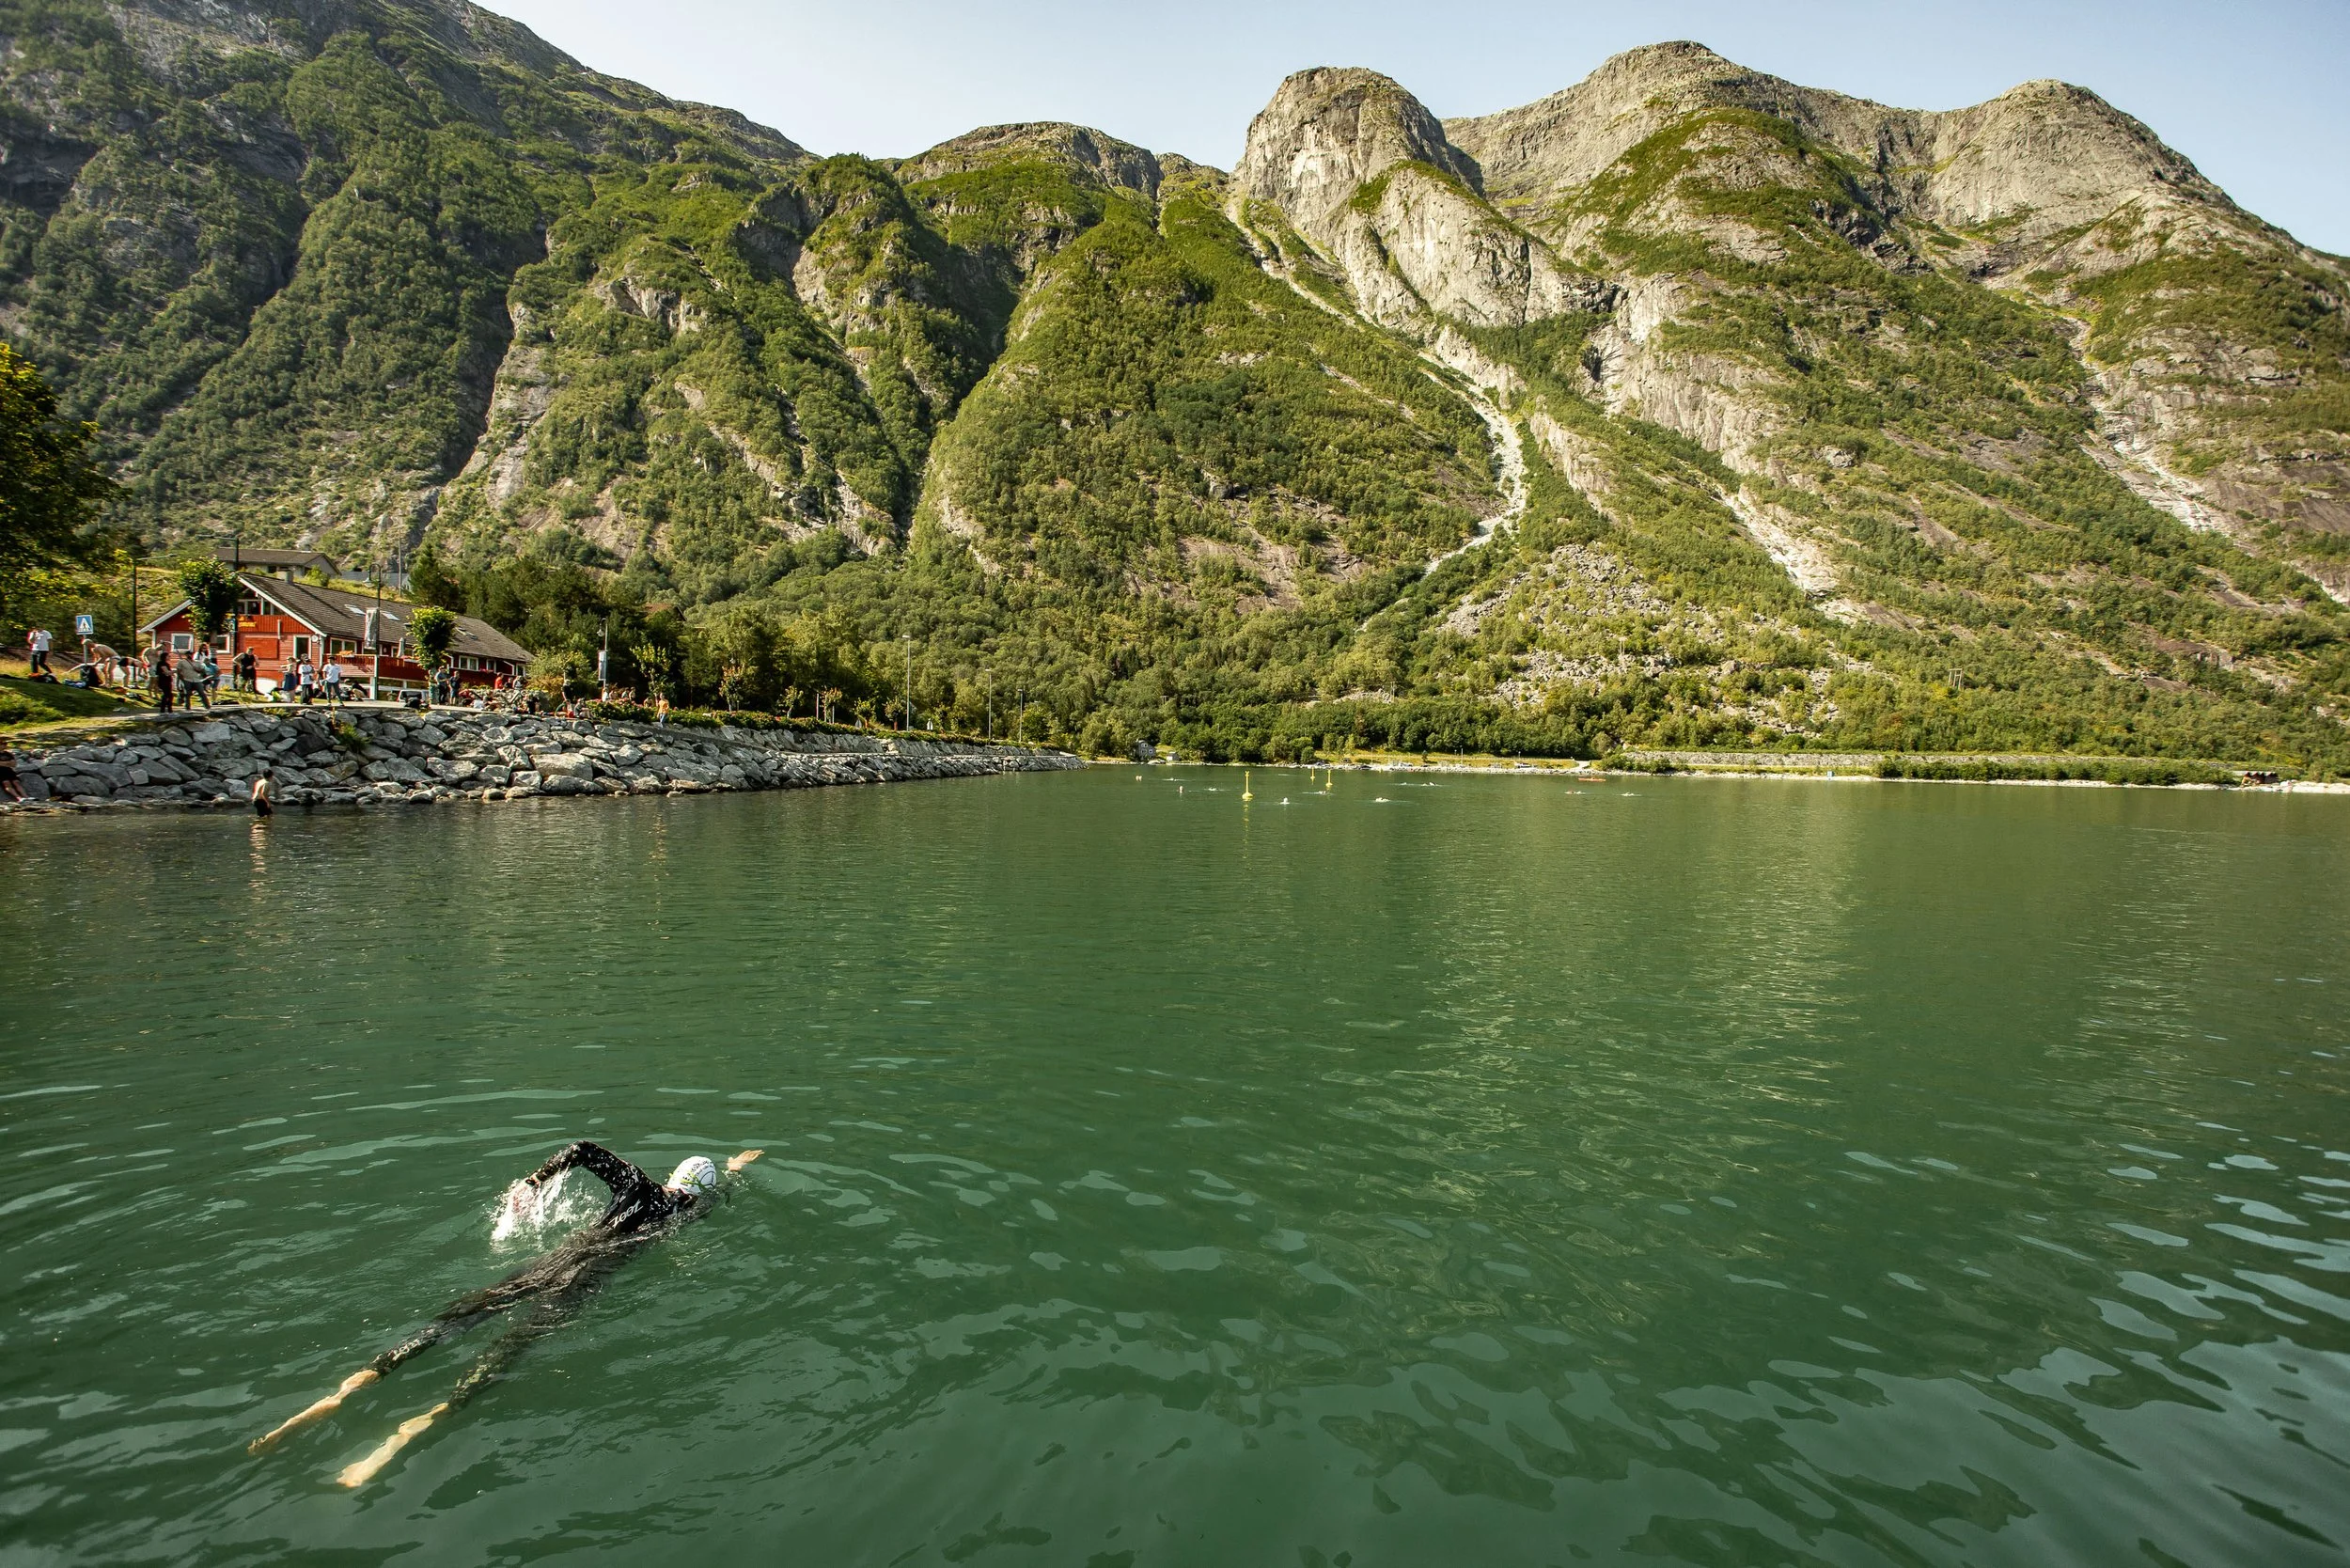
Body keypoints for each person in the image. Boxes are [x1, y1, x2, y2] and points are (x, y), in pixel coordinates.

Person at [247, 1141, 762, 1487]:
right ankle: (422, 1424)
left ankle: (353, 1385)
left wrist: (536, 1182)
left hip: (550, 1264)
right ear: (699, 1192)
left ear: (671, 1176)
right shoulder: (692, 1211)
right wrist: (737, 1166)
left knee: (457, 1320)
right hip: (582, 1284)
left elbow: (582, 1149)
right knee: (508, 1350)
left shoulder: (639, 1186)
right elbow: (714, 1188)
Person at [148, 646, 174, 714]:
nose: (169, 658)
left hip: (167, 680)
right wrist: (173, 672)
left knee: (169, 695)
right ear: (165, 657)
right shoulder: (162, 663)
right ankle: (165, 709)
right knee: (167, 695)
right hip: (163, 681)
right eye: (168, 656)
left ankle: (167, 709)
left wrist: (170, 673)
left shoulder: (166, 664)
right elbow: (166, 672)